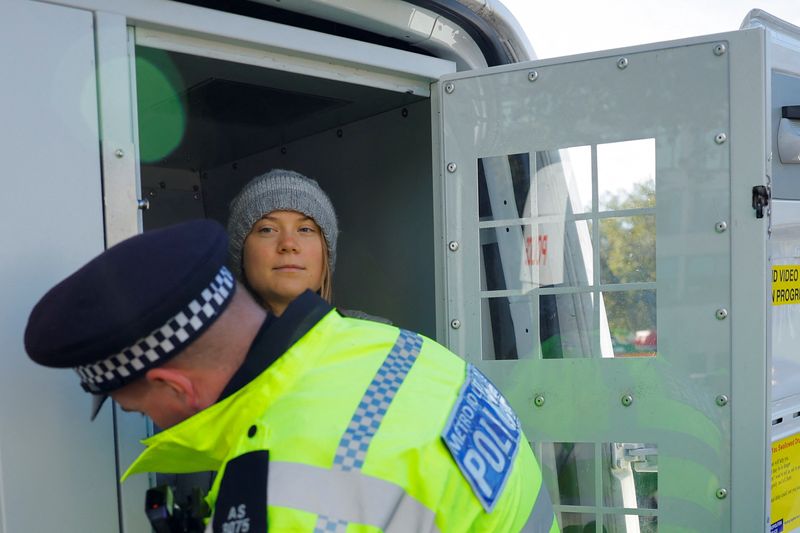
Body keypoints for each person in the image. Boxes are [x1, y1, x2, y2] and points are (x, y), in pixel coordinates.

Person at [24, 219, 558, 533]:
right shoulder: (400, 347)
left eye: (135, 407)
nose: (149, 423)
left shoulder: (282, 496)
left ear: (173, 385)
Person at [227, 168, 386, 322]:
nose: (288, 244)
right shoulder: (211, 348)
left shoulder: (390, 342)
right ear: (241, 254)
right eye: (267, 230)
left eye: (305, 229)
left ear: (327, 254)